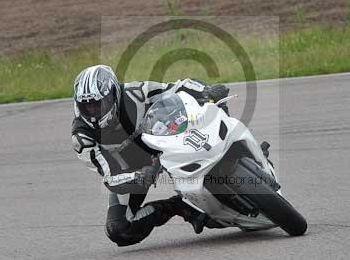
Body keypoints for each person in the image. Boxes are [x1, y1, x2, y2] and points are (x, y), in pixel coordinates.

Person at [71, 64, 231, 247]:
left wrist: (207, 91)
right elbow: (110, 178)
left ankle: (233, 158)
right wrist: (139, 176)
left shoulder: (135, 93)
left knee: (209, 124)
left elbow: (178, 87)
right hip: (131, 171)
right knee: (118, 229)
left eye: (98, 104)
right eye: (87, 106)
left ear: (113, 94)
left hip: (165, 140)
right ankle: (180, 206)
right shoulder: (82, 138)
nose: (93, 111)